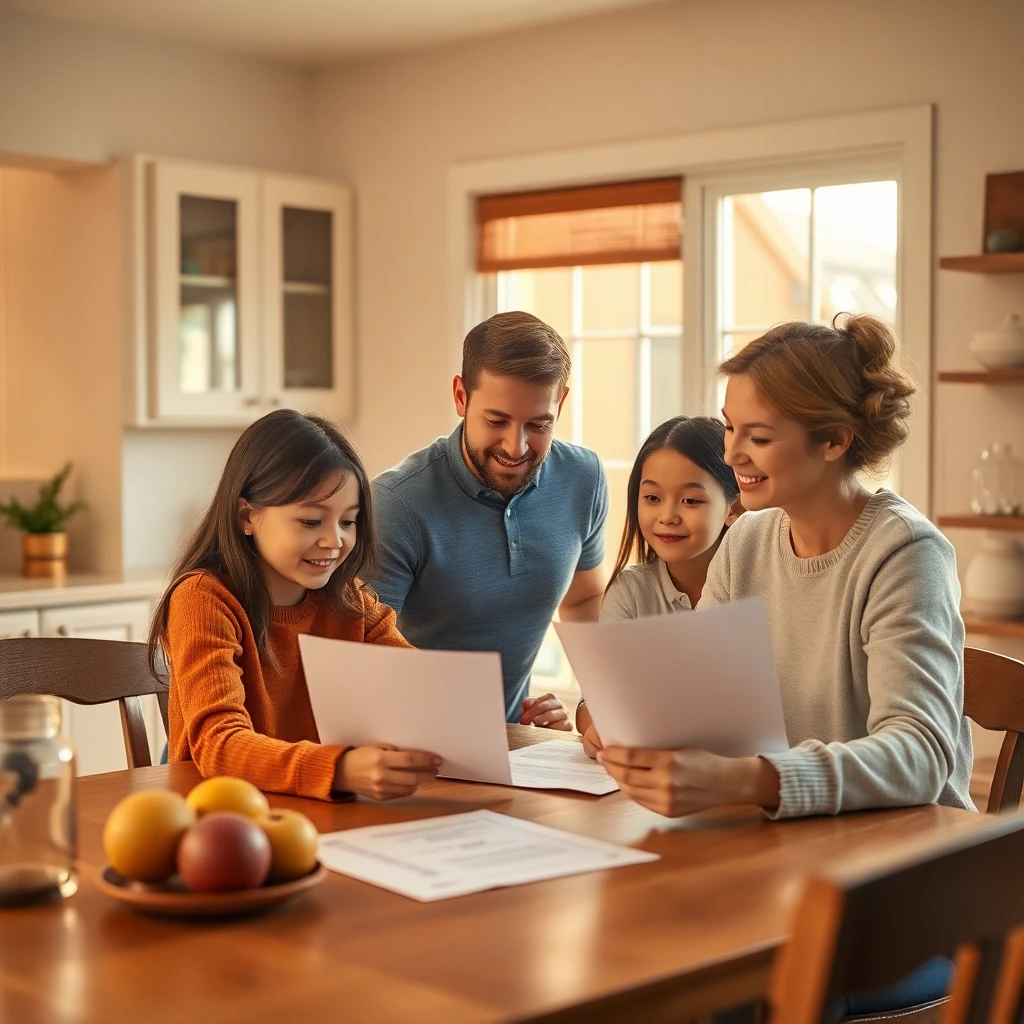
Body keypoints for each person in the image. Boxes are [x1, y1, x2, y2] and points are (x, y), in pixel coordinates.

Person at [599, 314, 972, 1020]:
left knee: (723, 998)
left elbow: (921, 754)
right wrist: (645, 729)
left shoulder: (905, 554)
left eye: (758, 437)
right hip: (789, 868)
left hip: (909, 901)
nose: (732, 453)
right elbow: (702, 700)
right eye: (729, 428)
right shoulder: (750, 540)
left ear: (833, 441)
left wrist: (749, 778)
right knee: (627, 953)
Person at [150, 409, 441, 802]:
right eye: (310, 522)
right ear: (248, 516)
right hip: (223, 818)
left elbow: (422, 689)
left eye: (348, 522)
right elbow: (219, 745)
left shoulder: (349, 601)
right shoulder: (204, 599)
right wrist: (339, 769)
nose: (334, 541)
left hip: (313, 813)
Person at [371, 311, 609, 728]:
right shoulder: (396, 504)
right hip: (409, 742)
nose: (515, 447)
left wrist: (597, 705)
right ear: (461, 396)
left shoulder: (583, 477)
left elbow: (584, 599)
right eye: (496, 421)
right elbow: (360, 659)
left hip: (514, 741)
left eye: (538, 424)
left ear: (562, 403)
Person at [576, 415, 740, 756]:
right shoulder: (631, 591)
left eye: (690, 501)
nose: (667, 516)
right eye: (652, 498)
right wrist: (599, 725)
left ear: (733, 507)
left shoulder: (758, 580)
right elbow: (594, 700)